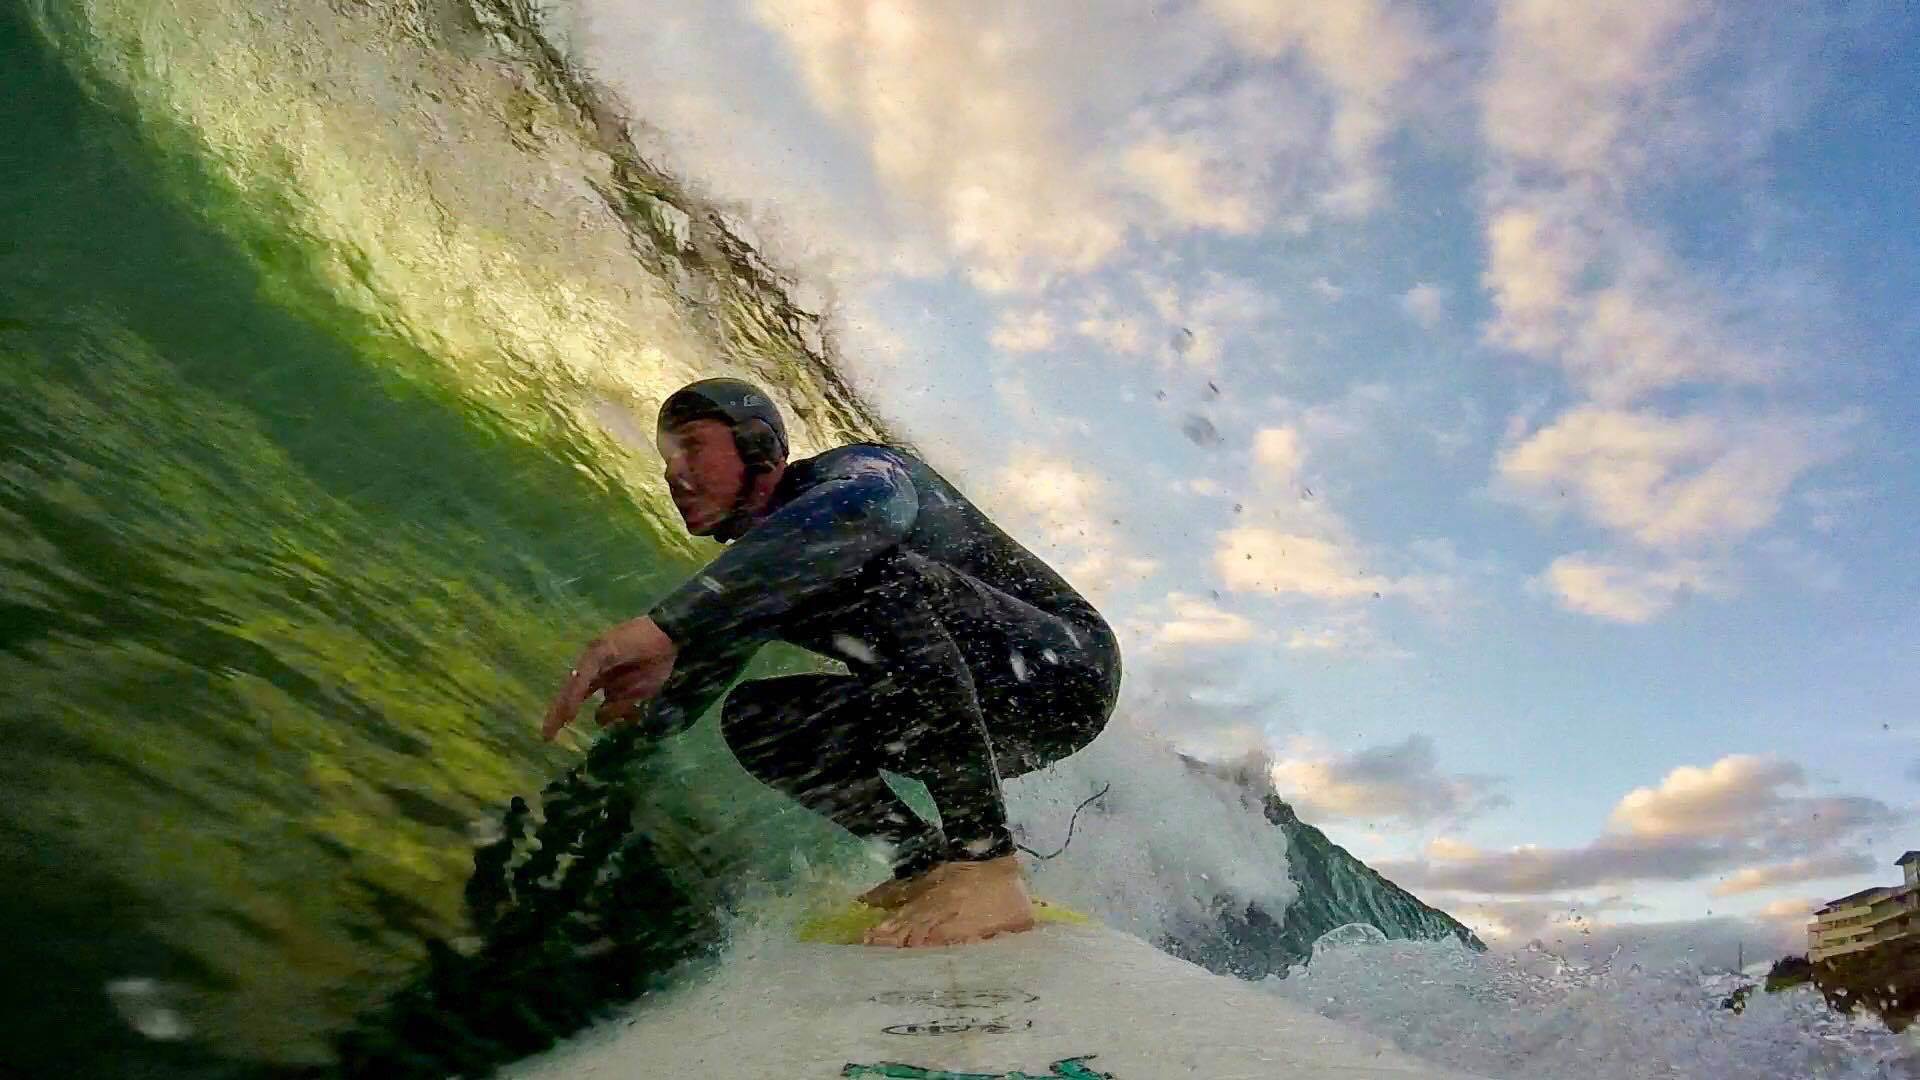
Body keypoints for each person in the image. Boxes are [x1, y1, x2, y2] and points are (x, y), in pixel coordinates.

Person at [542, 378, 1122, 948]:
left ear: (757, 444)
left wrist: (666, 625)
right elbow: (685, 694)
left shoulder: (858, 473)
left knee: (869, 573)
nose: (673, 471)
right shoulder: (769, 571)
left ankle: (986, 867)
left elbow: (865, 511)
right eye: (667, 457)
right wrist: (599, 771)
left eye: (691, 445)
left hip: (1063, 672)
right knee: (757, 718)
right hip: (971, 712)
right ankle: (922, 864)